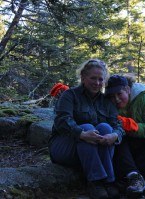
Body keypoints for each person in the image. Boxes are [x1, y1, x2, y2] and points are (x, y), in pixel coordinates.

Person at [48, 59, 125, 199]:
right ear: (83, 77)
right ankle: (95, 181)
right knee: (86, 127)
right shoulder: (69, 95)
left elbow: (117, 125)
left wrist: (115, 135)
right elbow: (62, 120)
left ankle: (108, 181)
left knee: (106, 128)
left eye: (100, 79)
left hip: (92, 152)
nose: (97, 83)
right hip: (65, 147)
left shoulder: (106, 101)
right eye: (93, 78)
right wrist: (81, 134)